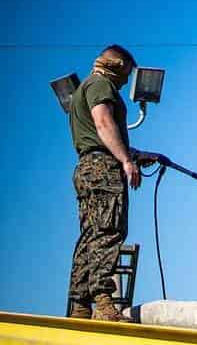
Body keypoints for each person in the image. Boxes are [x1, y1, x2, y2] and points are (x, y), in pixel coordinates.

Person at [66, 45, 154, 321]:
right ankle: (103, 304)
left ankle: (79, 305)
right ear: (115, 65)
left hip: (88, 167)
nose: (127, 80)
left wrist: (134, 155)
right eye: (126, 73)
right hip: (103, 170)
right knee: (108, 231)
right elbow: (103, 124)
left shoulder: (85, 88)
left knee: (90, 235)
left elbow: (97, 136)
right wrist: (126, 162)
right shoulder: (101, 85)